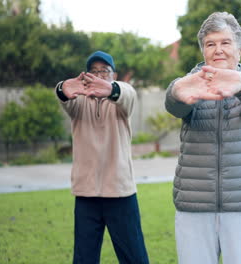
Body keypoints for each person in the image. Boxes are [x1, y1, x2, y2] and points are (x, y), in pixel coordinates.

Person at [165, 12, 241, 264]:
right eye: (210, 44)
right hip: (194, 207)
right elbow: (174, 105)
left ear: (239, 49)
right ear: (203, 50)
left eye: (225, 43)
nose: (218, 50)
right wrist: (176, 92)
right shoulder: (191, 82)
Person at [55, 51, 149, 264]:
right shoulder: (78, 103)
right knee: (84, 258)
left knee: (135, 257)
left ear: (113, 75)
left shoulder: (122, 101)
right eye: (94, 72)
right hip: (86, 194)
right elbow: (64, 96)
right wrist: (62, 89)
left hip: (120, 193)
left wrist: (111, 88)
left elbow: (127, 93)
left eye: (104, 72)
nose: (98, 76)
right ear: (86, 76)